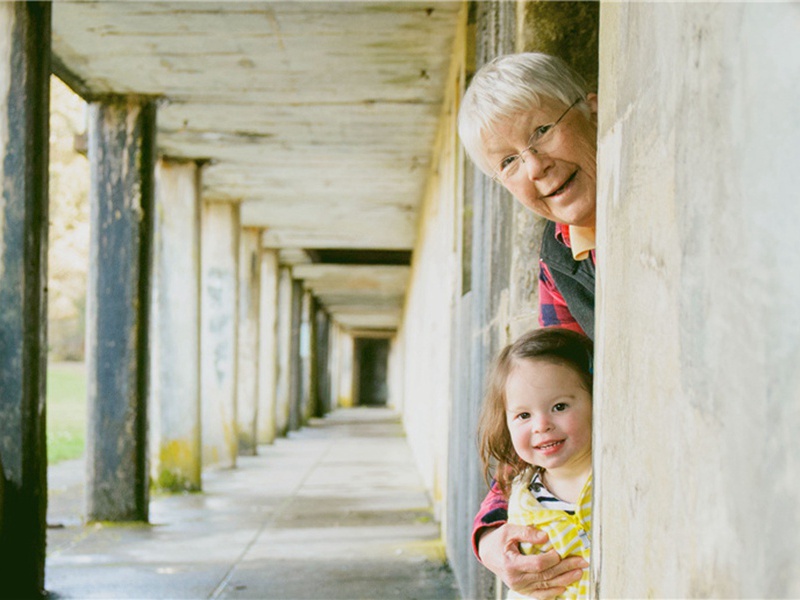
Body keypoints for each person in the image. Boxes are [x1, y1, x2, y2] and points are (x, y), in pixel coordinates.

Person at [457, 52, 598, 597]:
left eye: (542, 131)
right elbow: (544, 392)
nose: (535, 167)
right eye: (509, 162)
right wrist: (492, 537)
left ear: (592, 109)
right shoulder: (558, 257)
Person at [478, 328, 593, 599]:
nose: (541, 425)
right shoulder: (523, 500)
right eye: (524, 415)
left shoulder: (612, 474)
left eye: (560, 406)